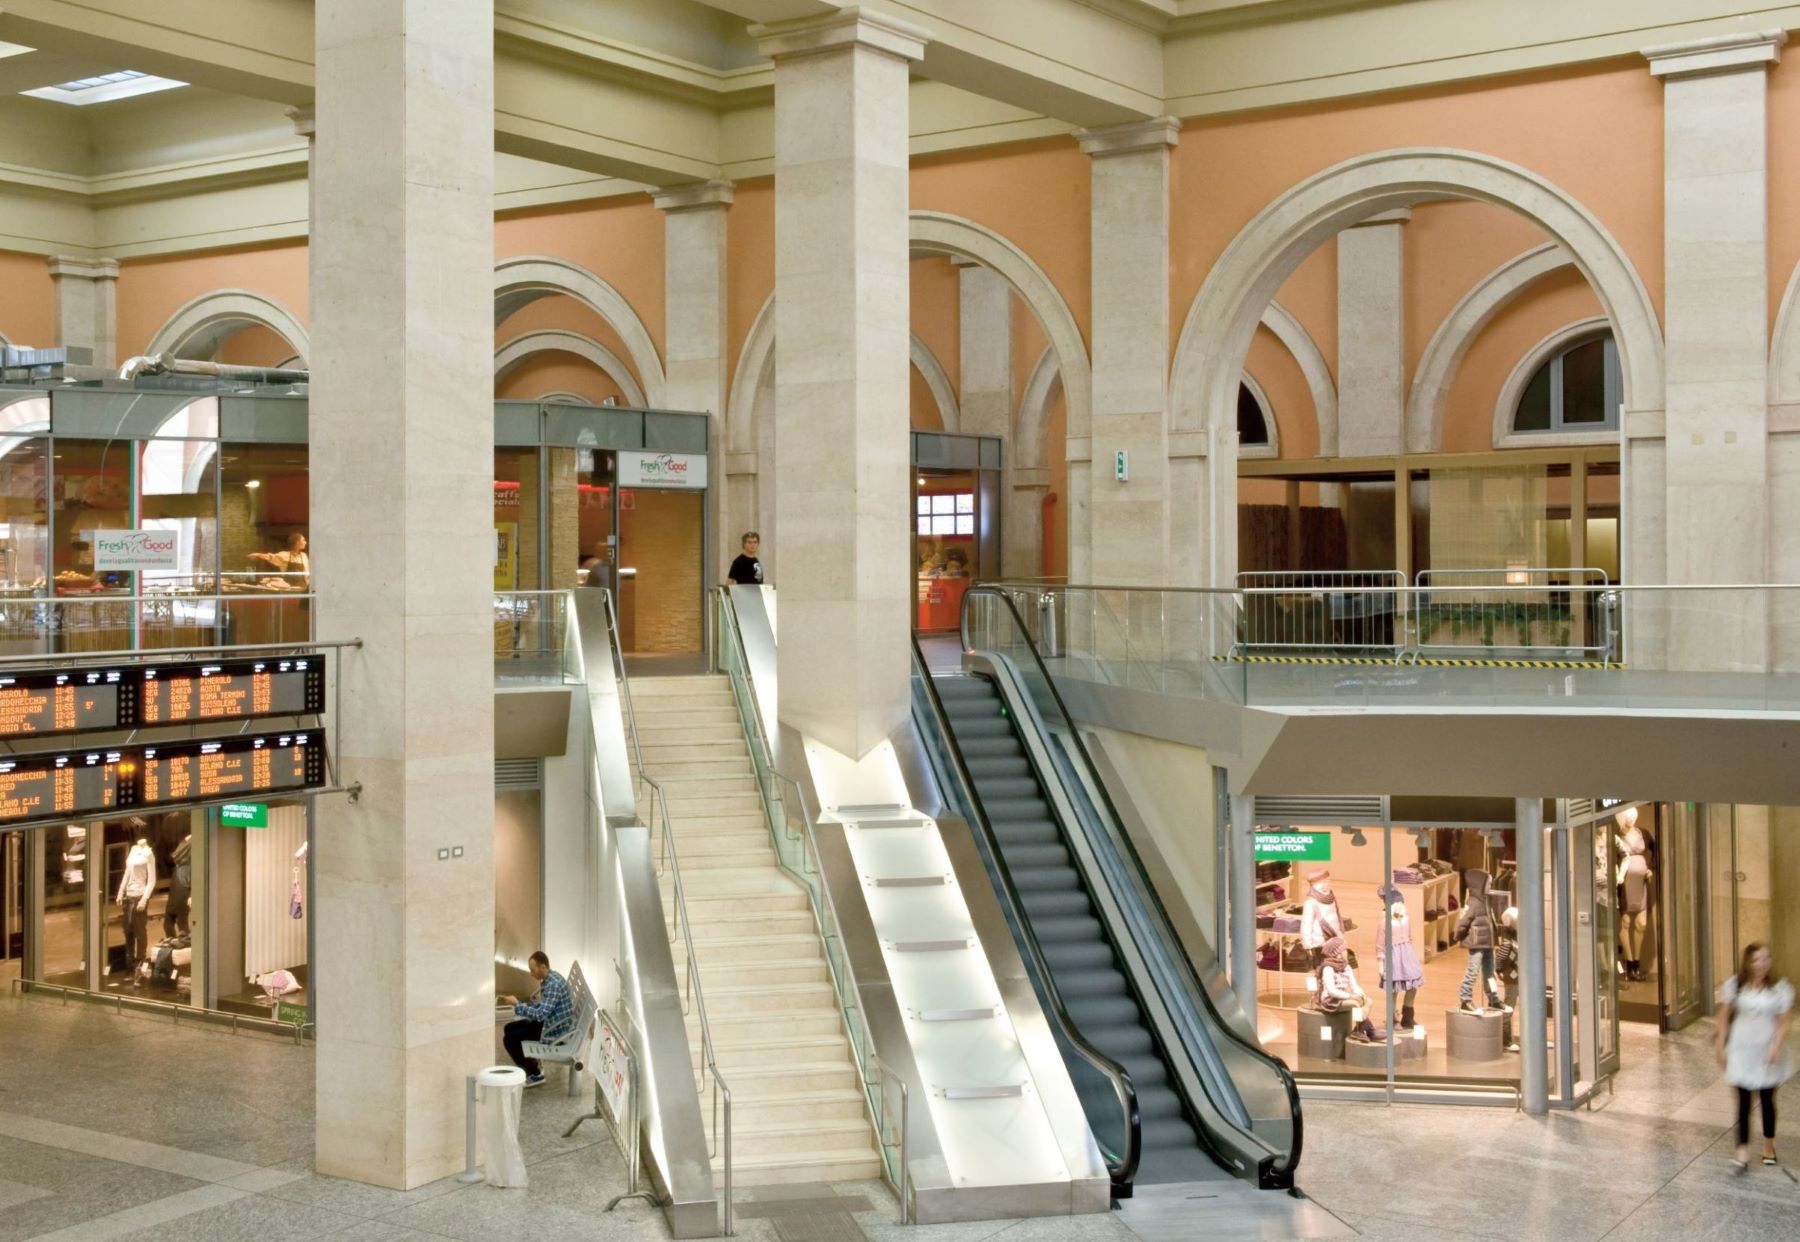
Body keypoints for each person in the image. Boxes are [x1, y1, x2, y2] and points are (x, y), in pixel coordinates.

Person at [1716, 942, 1794, 1171]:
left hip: (1766, 1050)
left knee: (1767, 1099)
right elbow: (1723, 1017)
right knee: (1742, 1100)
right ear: (1748, 963)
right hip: (1741, 1049)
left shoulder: (1780, 989)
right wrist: (1720, 1045)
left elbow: (1784, 1022)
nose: (1762, 964)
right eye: (1757, 959)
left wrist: (1776, 1048)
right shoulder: (1736, 985)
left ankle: (1769, 1144)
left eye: (1766, 958)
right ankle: (1742, 1150)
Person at [499, 951, 573, 1088]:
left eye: (533, 970)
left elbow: (540, 1015)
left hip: (552, 1030)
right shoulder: (551, 978)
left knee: (509, 1039)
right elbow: (544, 1007)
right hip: (550, 1022)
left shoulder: (553, 985)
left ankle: (535, 1073)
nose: (531, 973)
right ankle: (532, 1064)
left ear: (543, 967)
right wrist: (522, 1004)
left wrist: (517, 1004)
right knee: (508, 1028)